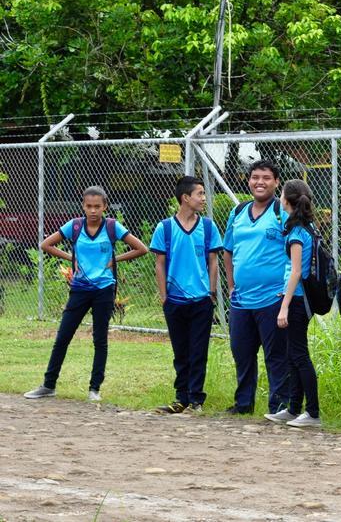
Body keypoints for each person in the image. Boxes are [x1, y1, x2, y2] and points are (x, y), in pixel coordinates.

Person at [24, 186, 148, 401]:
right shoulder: (74, 226)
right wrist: (71, 259)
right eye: (89, 206)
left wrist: (115, 260)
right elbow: (46, 244)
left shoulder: (112, 227)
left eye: (97, 206)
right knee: (63, 337)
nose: (93, 211)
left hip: (104, 290)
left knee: (100, 340)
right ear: (83, 206)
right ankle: (48, 385)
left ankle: (94, 389)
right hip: (80, 289)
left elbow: (141, 248)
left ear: (105, 207)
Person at [150, 176, 224, 415]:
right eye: (200, 194)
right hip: (175, 300)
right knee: (180, 351)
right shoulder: (165, 228)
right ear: (185, 197)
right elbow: (159, 264)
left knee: (198, 350)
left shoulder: (209, 227)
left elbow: (213, 262)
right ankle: (180, 398)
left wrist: (211, 293)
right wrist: (164, 296)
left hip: (201, 300)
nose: (203, 198)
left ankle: (196, 400)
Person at [223, 160, 291, 415]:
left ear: (276, 182)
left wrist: (286, 290)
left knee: (276, 356)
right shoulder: (238, 212)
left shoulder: (281, 211)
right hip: (241, 298)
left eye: (266, 177)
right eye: (255, 177)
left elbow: (295, 251)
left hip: (272, 297)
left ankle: (279, 406)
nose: (259, 182)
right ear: (248, 180)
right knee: (241, 352)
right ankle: (243, 404)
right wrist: (231, 285)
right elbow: (228, 250)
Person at [265, 179, 322, 428]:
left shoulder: (297, 232)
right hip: (296, 297)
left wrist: (285, 305)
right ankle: (293, 409)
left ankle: (313, 412)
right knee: (292, 355)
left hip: (297, 300)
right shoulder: (306, 227)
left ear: (286, 201)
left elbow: (296, 271)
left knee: (299, 356)